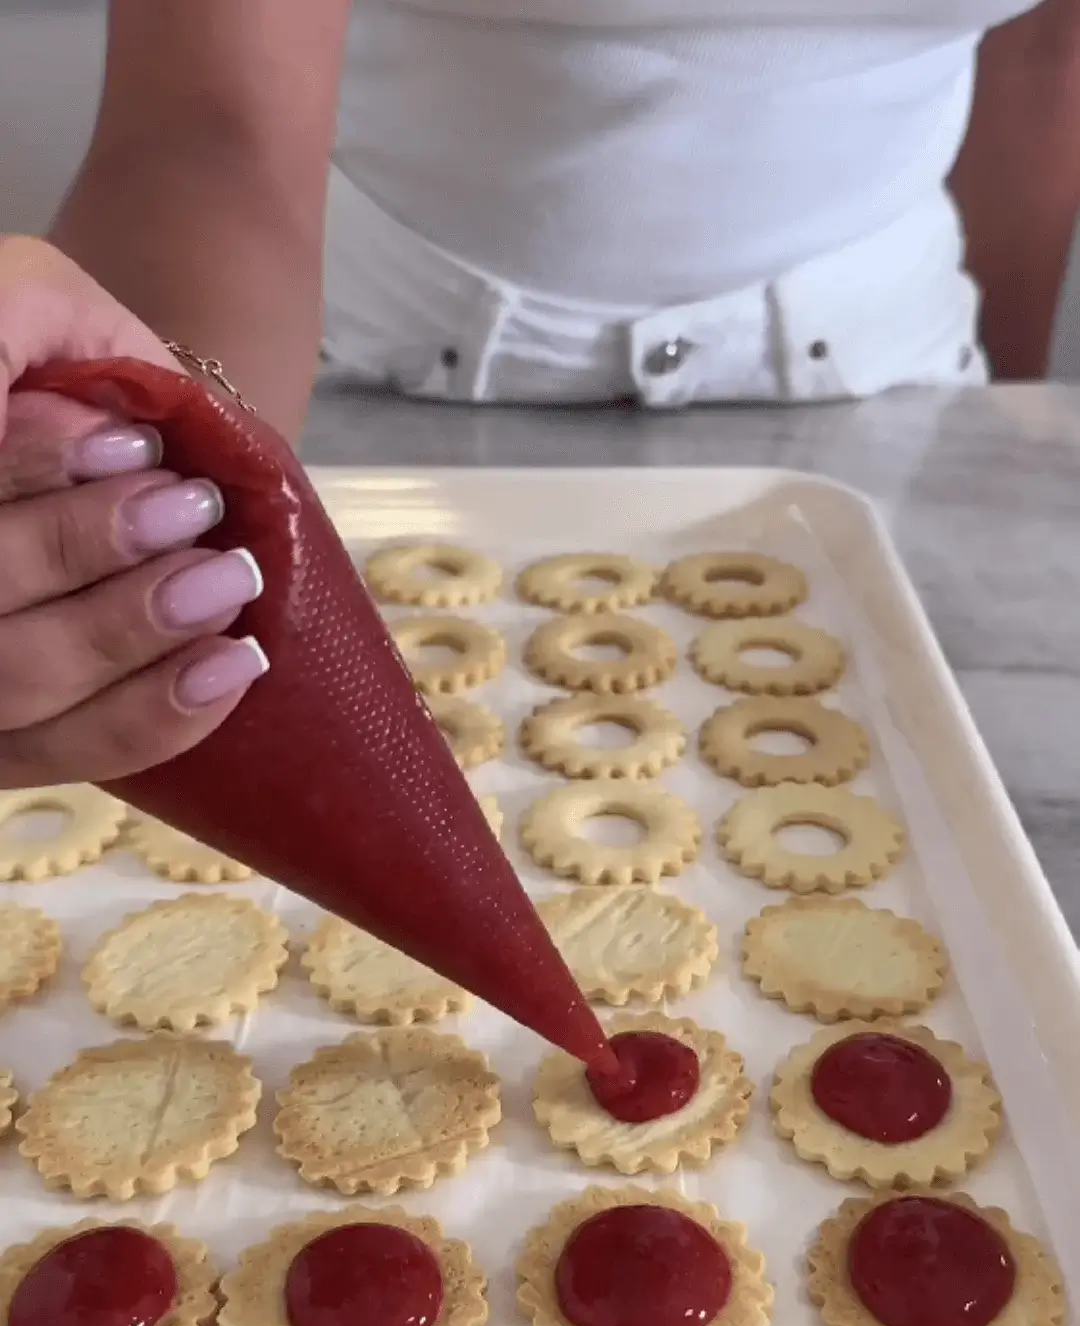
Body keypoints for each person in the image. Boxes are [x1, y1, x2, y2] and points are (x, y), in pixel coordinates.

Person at [1, 0, 1078, 792]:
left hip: (896, 392)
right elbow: (209, 126)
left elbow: (1041, 54)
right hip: (346, 382)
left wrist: (1011, 425)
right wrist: (178, 490)